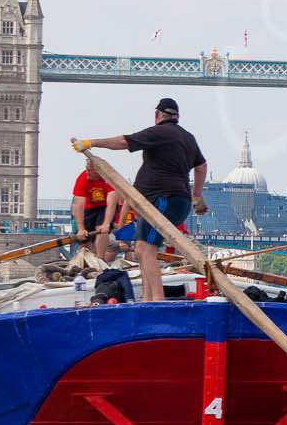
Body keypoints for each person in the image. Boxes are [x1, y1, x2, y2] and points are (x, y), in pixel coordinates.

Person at [74, 97, 208, 302]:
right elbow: (201, 166)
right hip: (168, 202)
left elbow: (123, 142)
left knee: (146, 249)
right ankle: (147, 298)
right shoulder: (188, 138)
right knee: (140, 247)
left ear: (157, 115)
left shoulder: (160, 132)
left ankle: (157, 300)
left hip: (163, 200)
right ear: (177, 116)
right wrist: (196, 195)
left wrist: (91, 143)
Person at [70, 164, 121, 264]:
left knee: (101, 229)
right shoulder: (82, 178)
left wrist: (106, 224)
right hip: (88, 208)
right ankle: (85, 262)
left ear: (99, 171)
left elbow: (111, 204)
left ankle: (100, 259)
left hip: (104, 206)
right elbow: (78, 205)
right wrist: (81, 228)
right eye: (86, 169)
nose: (87, 172)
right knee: (84, 241)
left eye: (90, 170)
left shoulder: (110, 178)